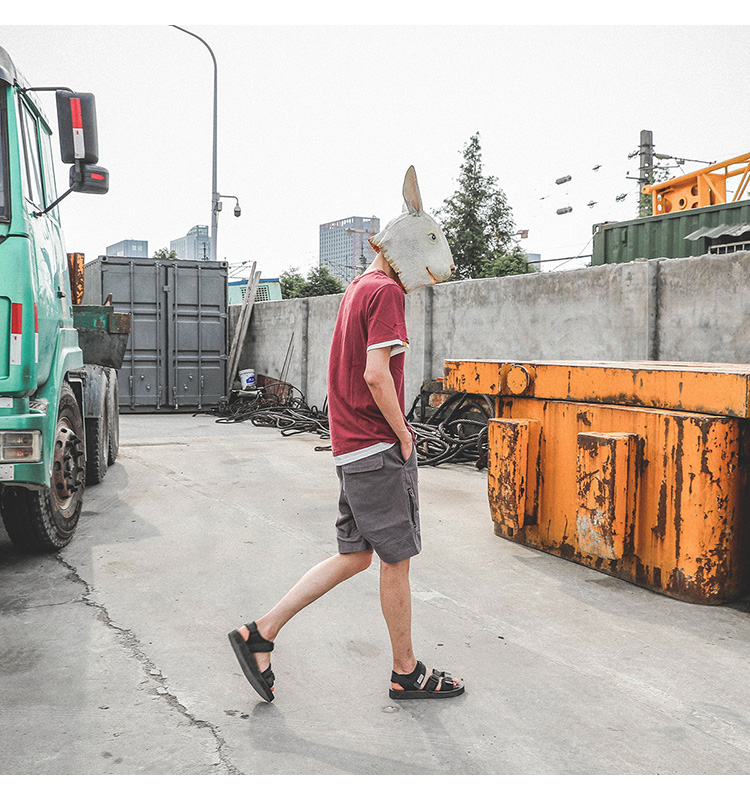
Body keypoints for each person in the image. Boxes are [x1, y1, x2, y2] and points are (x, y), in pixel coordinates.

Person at [228, 166, 464, 702]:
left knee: (356, 555)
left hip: (351, 447)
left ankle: (260, 633)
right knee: (396, 559)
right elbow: (376, 375)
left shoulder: (357, 288)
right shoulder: (387, 294)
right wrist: (404, 436)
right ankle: (406, 672)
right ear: (408, 244)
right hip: (376, 449)